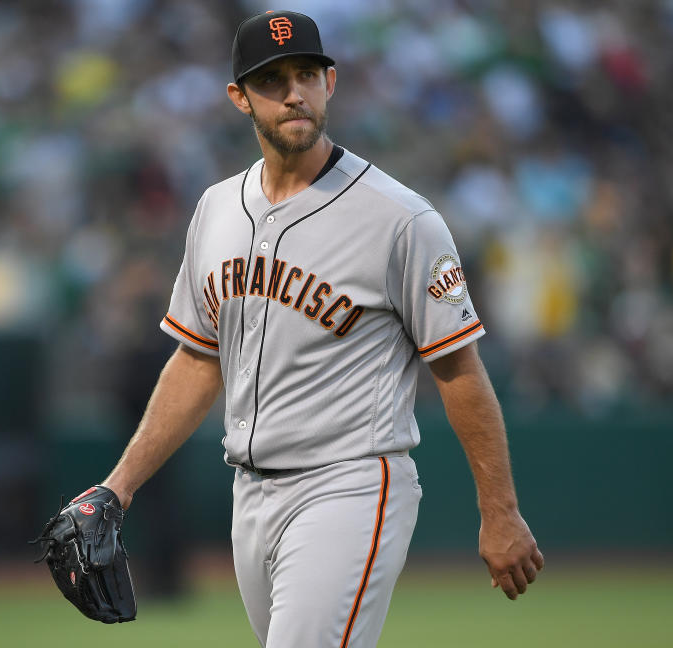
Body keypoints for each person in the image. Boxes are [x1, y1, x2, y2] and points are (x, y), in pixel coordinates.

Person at [98, 10, 543, 647]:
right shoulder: (217, 209)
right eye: (272, 80)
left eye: (307, 73)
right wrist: (120, 487)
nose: (293, 92)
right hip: (249, 495)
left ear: (330, 82)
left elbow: (458, 370)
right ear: (239, 98)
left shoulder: (400, 219)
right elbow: (198, 362)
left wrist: (499, 511)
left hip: (351, 484)